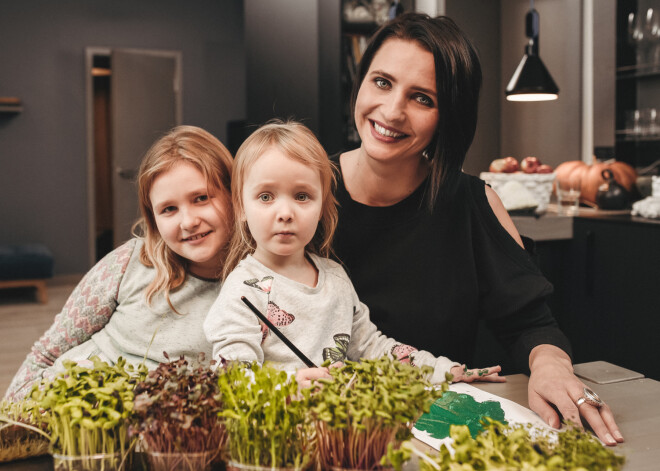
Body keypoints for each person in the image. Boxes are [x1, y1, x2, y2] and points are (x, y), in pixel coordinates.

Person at [328, 11, 624, 446]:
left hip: (436, 442)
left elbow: (531, 324)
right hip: (324, 437)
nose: (391, 111)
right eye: (382, 82)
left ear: (449, 115)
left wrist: (550, 366)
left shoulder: (472, 202)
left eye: (423, 98)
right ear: (361, 82)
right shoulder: (302, 192)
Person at [203, 119, 503, 387]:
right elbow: (232, 379)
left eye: (302, 196)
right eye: (266, 196)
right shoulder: (241, 292)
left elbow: (373, 349)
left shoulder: (334, 276)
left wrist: (445, 370)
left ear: (322, 206)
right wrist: (291, 386)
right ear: (241, 208)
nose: (285, 212)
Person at [4, 125, 233, 401]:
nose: (188, 222)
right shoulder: (129, 262)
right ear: (154, 219)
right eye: (169, 209)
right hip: (63, 406)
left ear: (234, 194)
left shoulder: (259, 287)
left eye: (201, 198)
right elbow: (45, 354)